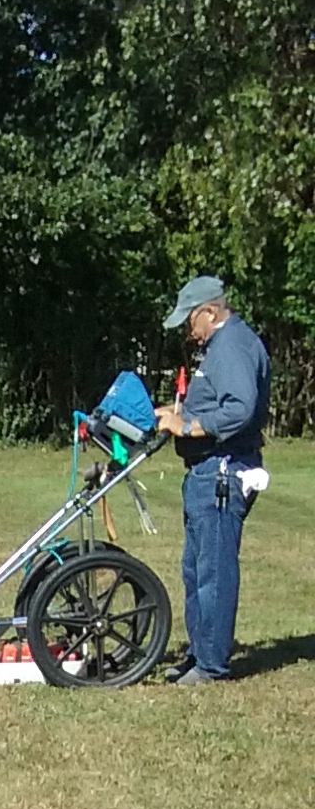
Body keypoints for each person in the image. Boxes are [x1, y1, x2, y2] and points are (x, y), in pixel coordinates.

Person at [154, 275, 271, 683]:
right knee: (195, 570)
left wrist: (187, 428)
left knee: (214, 573)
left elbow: (239, 409)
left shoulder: (234, 347)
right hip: (203, 473)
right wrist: (172, 414)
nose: (189, 329)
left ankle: (212, 666)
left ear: (210, 311)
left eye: (190, 319)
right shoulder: (218, 347)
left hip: (222, 471)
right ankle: (199, 652)